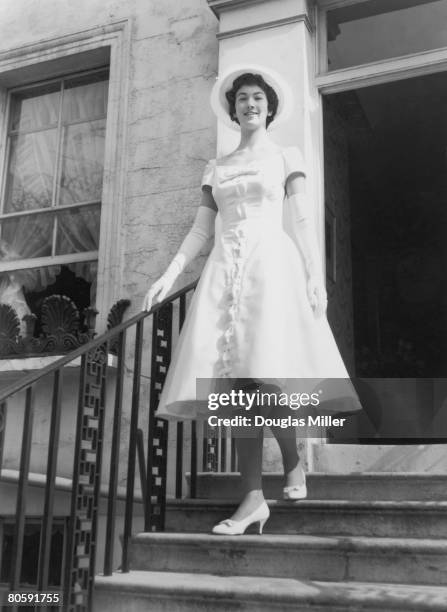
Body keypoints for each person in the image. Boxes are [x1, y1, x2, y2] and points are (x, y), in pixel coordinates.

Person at [142, 65, 354, 535]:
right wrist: (169, 273)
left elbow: (300, 220)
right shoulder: (215, 168)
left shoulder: (286, 157)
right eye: (242, 99)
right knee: (238, 387)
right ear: (233, 109)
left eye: (258, 97)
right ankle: (254, 497)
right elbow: (200, 229)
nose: (250, 104)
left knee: (269, 377)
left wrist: (315, 275)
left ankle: (294, 463)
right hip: (224, 269)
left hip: (270, 266)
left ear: (270, 107)